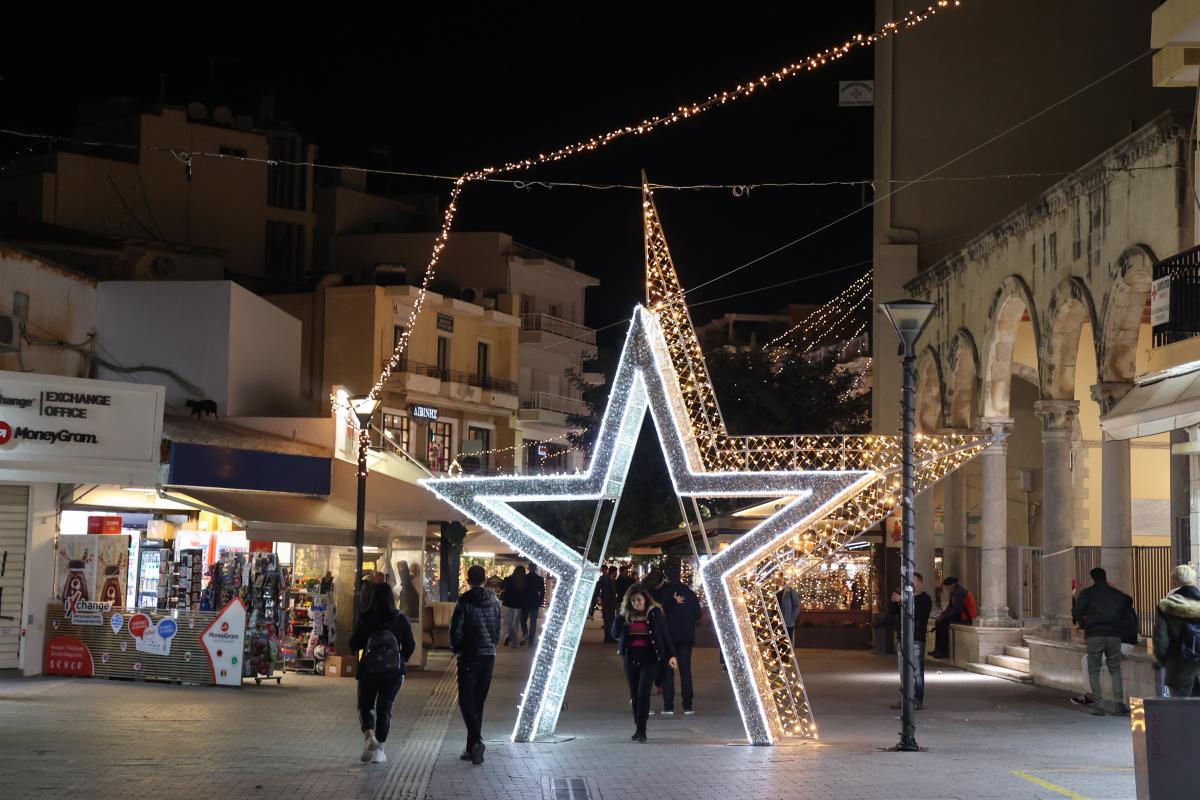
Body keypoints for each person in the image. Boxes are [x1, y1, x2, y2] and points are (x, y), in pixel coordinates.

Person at [348, 583, 416, 765]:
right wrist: (400, 659)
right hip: (394, 673)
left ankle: (369, 736)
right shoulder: (400, 619)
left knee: (365, 705)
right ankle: (380, 751)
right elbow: (410, 645)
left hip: (368, 671)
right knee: (385, 708)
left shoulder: (366, 619)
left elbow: (353, 644)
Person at [612, 583, 677, 741]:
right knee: (634, 694)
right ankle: (637, 725)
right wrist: (620, 615)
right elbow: (614, 633)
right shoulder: (627, 614)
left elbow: (664, 634)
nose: (637, 603)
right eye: (633, 601)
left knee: (643, 693)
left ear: (645, 599)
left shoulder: (653, 613)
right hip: (631, 658)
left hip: (650, 658)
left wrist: (672, 655)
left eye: (639, 600)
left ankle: (642, 729)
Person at [450, 564, 501, 765]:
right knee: (477, 702)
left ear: (469, 579)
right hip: (488, 656)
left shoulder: (464, 601)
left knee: (465, 701)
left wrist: (458, 649)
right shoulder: (495, 602)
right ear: (485, 579)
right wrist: (491, 646)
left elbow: (456, 630)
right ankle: (472, 748)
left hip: (470, 656)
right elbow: (497, 629)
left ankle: (477, 741)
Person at [1070, 566, 1132, 715]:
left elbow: (1076, 611)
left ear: (1093, 578)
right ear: (1105, 577)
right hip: (1114, 635)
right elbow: (1128, 602)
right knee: (1115, 669)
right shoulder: (1116, 594)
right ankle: (1118, 704)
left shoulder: (1088, 593)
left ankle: (1099, 705)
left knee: (1094, 669)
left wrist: (1082, 620)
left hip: (1095, 635)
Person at [657, 565, 702, 715]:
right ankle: (688, 706)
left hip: (668, 637)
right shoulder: (690, 593)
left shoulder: (664, 593)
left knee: (668, 671)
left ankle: (668, 706)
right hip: (686, 636)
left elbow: (660, 612)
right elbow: (697, 615)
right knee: (685, 670)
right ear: (680, 575)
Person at [1153, 564, 1200, 698]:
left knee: (1180, 706)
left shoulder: (1165, 605)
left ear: (1175, 582)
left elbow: (1161, 637)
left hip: (1178, 663)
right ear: (1194, 580)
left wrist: (1162, 658)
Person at [888, 572, 932, 710]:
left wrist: (903, 600)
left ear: (919, 583)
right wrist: (895, 602)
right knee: (902, 671)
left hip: (916, 639)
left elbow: (918, 613)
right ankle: (905, 698)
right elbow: (894, 613)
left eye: (913, 582)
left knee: (917, 671)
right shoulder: (906, 598)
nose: (910, 584)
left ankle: (918, 699)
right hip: (903, 638)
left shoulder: (925, 599)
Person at [930, 576, 969, 659]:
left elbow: (955, 610)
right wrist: (942, 615)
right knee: (939, 622)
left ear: (953, 585)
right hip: (959, 614)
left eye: (947, 586)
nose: (946, 589)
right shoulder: (954, 591)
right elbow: (950, 607)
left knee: (942, 623)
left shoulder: (958, 592)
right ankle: (938, 650)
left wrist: (943, 617)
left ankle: (943, 651)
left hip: (965, 616)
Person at [500, 565, 527, 646]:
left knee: (506, 622)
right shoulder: (524, 581)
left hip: (507, 603)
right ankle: (513, 640)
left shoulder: (508, 579)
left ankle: (506, 637)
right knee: (515, 624)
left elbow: (501, 586)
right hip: (517, 605)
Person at [522, 562, 546, 646]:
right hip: (534, 601)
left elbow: (522, 591)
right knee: (533, 621)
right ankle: (531, 639)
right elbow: (542, 592)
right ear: (535, 569)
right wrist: (540, 601)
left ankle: (525, 634)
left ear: (529, 568)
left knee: (523, 619)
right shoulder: (539, 579)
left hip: (525, 601)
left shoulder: (524, 578)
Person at [599, 565, 619, 643]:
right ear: (614, 572)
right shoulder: (608, 581)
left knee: (610, 620)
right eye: (616, 572)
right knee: (609, 620)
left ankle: (609, 637)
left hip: (610, 603)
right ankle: (609, 638)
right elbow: (607, 593)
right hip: (608, 603)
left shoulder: (611, 580)